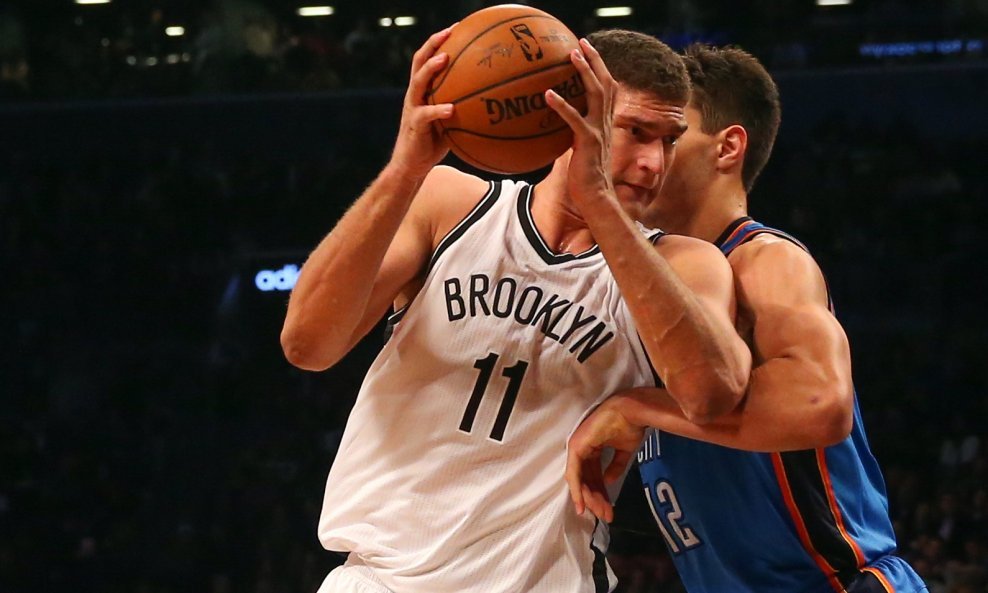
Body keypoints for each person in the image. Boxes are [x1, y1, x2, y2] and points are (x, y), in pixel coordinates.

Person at [280, 27, 752, 593]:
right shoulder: (450, 205)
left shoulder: (684, 262)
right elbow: (307, 345)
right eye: (634, 132)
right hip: (380, 578)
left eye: (669, 140)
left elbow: (712, 393)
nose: (654, 163)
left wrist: (599, 201)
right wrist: (404, 169)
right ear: (570, 114)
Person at [566, 44, 928, 592]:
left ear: (728, 147)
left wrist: (638, 406)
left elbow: (819, 404)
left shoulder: (762, 259)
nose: (650, 159)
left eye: (670, 137)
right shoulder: (651, 289)